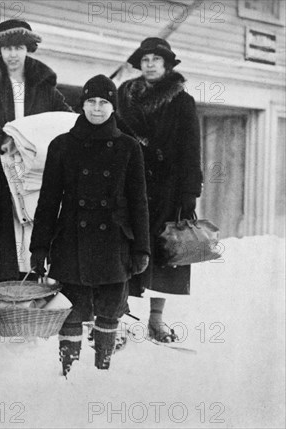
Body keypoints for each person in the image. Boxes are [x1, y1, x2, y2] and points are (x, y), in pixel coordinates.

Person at [30, 75, 150, 374]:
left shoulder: (129, 147)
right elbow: (48, 201)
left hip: (114, 243)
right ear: (82, 105)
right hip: (71, 241)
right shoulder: (61, 145)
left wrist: (142, 248)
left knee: (109, 313)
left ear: (113, 107)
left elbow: (139, 202)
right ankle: (67, 373)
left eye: (104, 102)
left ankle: (102, 373)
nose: (97, 109)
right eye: (91, 102)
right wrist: (40, 247)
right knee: (70, 312)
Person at [0, 19, 72, 282]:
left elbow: (67, 119)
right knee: (3, 225)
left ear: (27, 49)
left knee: (34, 220)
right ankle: (2, 284)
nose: (12, 54)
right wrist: (2, 138)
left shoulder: (44, 85)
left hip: (35, 168)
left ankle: (33, 280)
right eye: (6, 49)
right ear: (0, 52)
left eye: (17, 47)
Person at [117, 37, 203, 343]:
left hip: (167, 190)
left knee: (164, 254)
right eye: (145, 59)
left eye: (156, 59)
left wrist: (189, 193)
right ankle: (119, 317)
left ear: (166, 65)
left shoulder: (182, 101)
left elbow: (191, 150)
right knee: (125, 249)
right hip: (128, 186)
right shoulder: (123, 97)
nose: (150, 64)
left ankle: (156, 319)